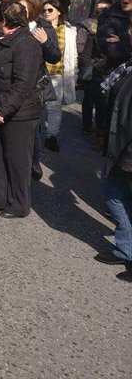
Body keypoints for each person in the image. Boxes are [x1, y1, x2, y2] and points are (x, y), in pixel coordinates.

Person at [0, 1, 42, 218]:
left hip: (17, 113)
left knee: (17, 160)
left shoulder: (26, 44)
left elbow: (23, 83)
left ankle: (18, 204)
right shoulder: (5, 38)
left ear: (4, 20)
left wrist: (4, 110)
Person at [14, 0, 61, 181]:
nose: (18, 11)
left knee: (32, 128)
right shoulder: (11, 25)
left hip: (35, 86)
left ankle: (33, 161)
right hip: (15, 83)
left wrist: (45, 41)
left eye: (23, 8)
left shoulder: (43, 28)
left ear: (32, 10)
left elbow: (54, 56)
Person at [95, 58, 132, 282]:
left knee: (113, 193)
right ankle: (125, 250)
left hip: (127, 151)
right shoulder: (127, 64)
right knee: (113, 193)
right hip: (120, 146)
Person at [96, 0, 132, 150]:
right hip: (120, 83)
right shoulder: (109, 16)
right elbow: (111, 49)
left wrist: (123, 39)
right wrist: (129, 41)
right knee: (118, 145)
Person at [40, 0, 77, 152]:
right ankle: (33, 132)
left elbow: (72, 54)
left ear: (59, 12)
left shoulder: (68, 30)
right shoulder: (39, 27)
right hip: (40, 74)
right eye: (44, 10)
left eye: (50, 10)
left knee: (54, 108)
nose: (47, 13)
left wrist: (74, 74)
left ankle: (52, 136)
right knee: (36, 106)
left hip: (57, 75)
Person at [77, 0, 112, 134]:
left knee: (103, 103)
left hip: (109, 72)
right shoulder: (89, 28)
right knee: (90, 99)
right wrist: (85, 72)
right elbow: (83, 51)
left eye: (105, 10)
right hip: (93, 71)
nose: (101, 12)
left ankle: (101, 131)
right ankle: (90, 128)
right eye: (99, 10)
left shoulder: (119, 29)